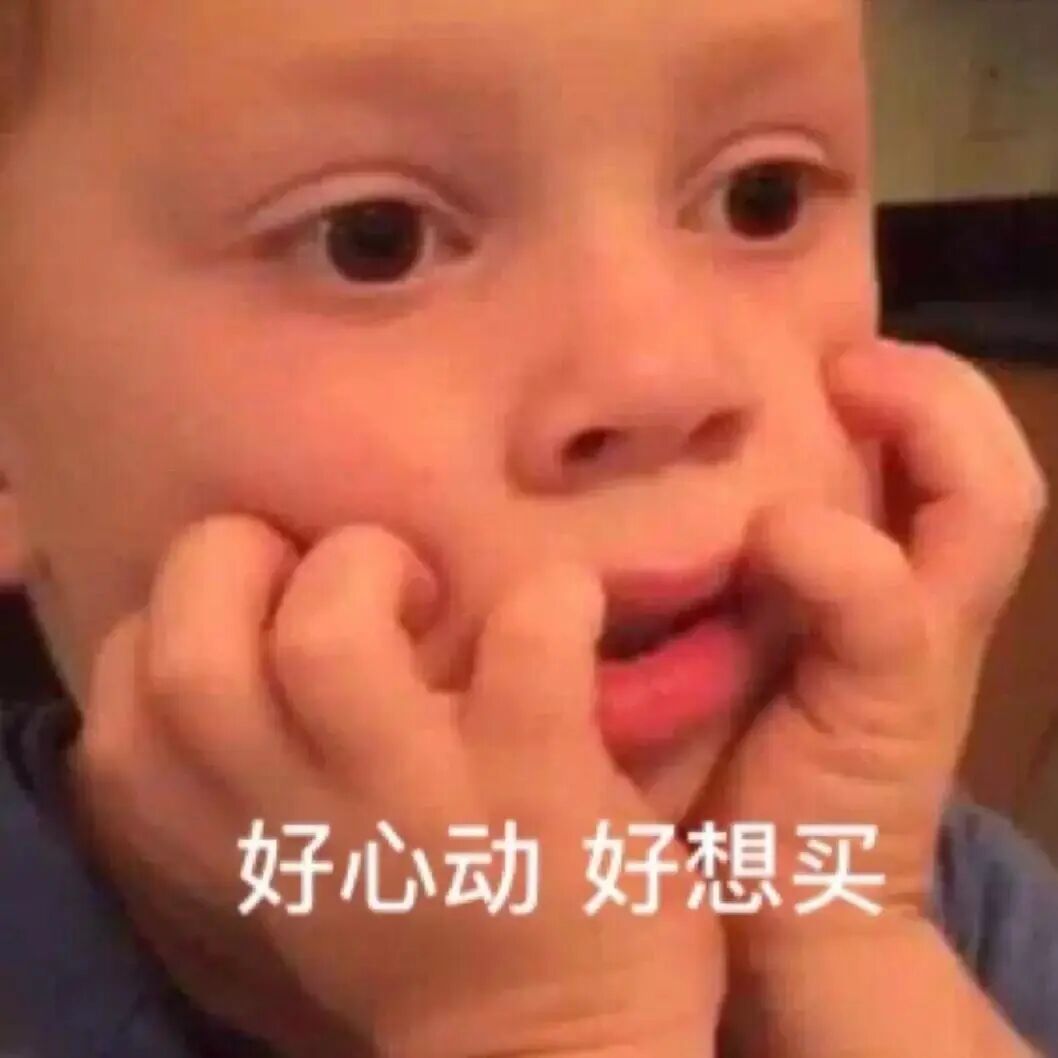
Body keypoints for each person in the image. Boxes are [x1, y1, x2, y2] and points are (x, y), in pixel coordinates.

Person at [0, 1, 1056, 1056]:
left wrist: (848, 953)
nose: (663, 377)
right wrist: (557, 1028)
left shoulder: (884, 867)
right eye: (375, 240)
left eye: (760, 196)